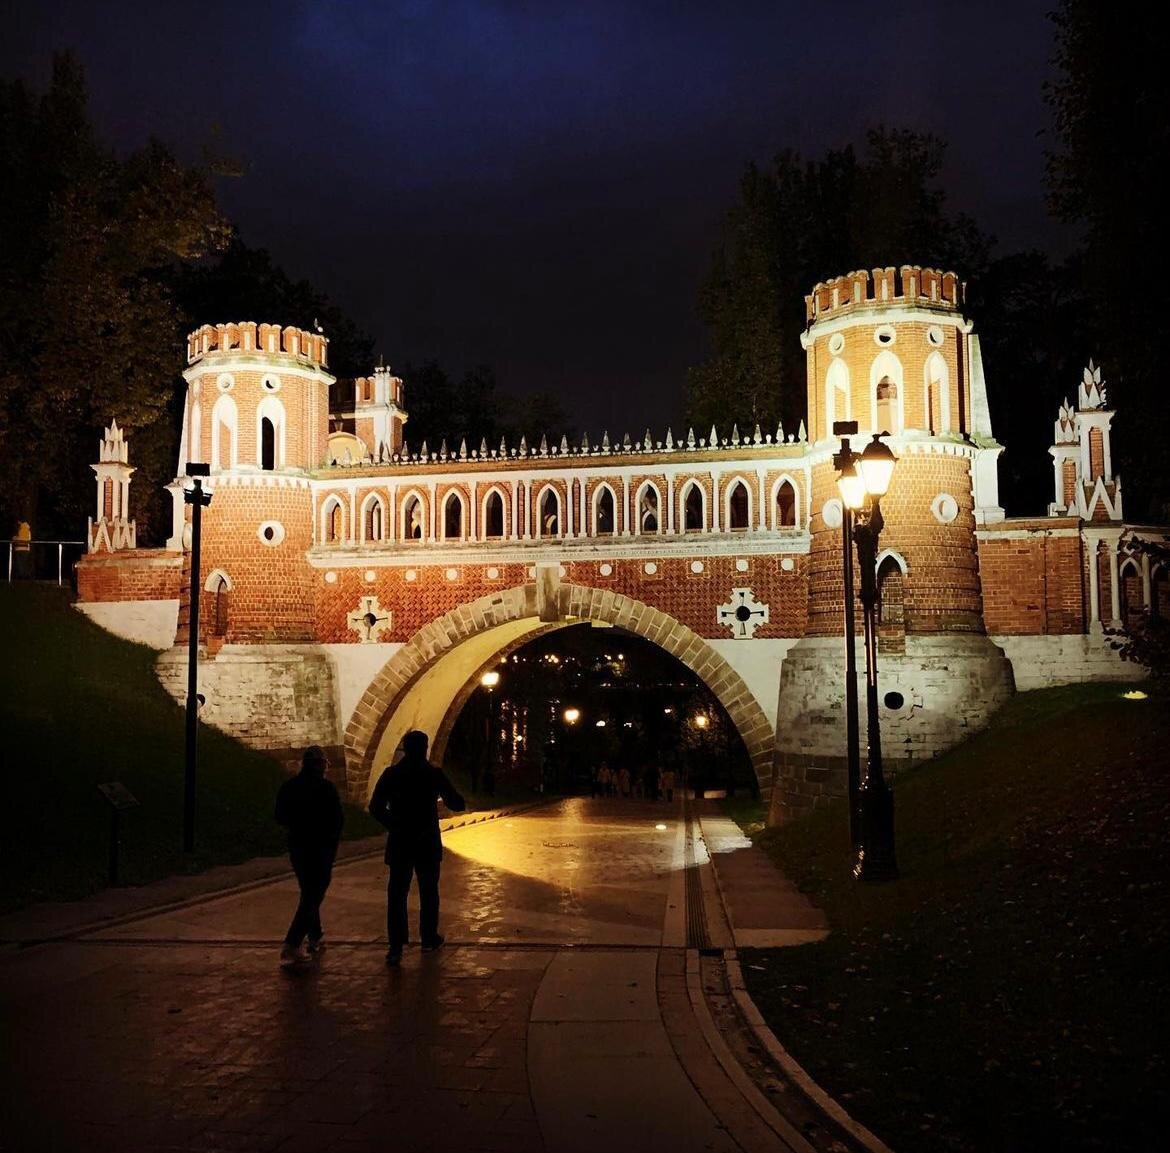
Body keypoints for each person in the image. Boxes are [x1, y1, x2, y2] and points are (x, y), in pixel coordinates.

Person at [368, 730, 466, 967]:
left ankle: (395, 945)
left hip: (400, 842)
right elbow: (456, 802)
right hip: (426, 842)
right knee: (429, 891)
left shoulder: (392, 774)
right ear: (425, 748)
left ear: (404, 748)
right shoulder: (433, 774)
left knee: (397, 894)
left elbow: (375, 806)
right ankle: (428, 938)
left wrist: (394, 825)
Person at [275, 746, 344, 967]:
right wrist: (332, 840)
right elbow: (337, 819)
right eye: (325, 763)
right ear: (320, 764)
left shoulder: (289, 787)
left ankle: (315, 936)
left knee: (309, 891)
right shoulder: (326, 788)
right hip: (321, 848)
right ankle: (292, 943)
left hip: (298, 846)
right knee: (314, 894)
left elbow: (280, 816)